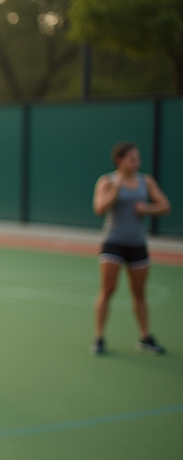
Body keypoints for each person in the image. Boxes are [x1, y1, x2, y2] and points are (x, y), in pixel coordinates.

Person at [91, 142, 171, 355]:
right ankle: (99, 338)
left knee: (139, 292)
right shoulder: (107, 181)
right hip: (113, 241)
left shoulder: (146, 181)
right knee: (107, 289)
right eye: (132, 159)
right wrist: (115, 190)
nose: (137, 162)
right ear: (120, 160)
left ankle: (145, 337)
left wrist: (147, 209)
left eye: (138, 158)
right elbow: (99, 208)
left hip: (137, 243)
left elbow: (165, 205)